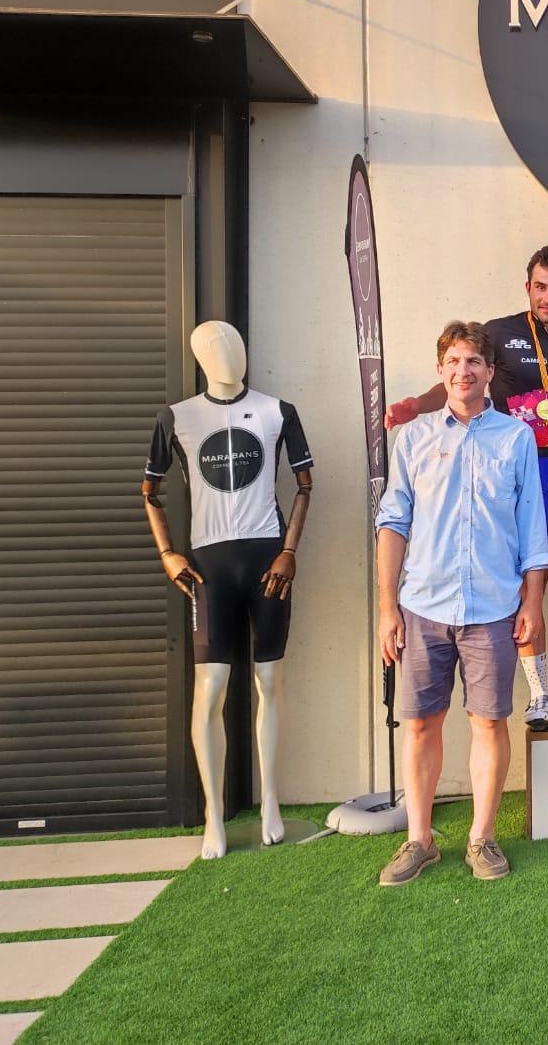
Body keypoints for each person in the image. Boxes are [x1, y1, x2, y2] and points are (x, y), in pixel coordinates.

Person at [388, 246, 548, 727]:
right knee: (529, 586)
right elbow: (461, 380)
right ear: (528, 287)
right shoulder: (499, 332)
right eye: (540, 287)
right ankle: (540, 693)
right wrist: (415, 407)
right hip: (521, 469)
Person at [374, 321, 548, 886]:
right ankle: (419, 840)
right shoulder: (414, 438)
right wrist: (387, 608)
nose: (463, 370)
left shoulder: (516, 438)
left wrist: (533, 604)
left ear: (489, 371)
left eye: (474, 360)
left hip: (493, 608)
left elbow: (532, 530)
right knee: (420, 726)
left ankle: (482, 837)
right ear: (440, 370)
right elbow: (392, 523)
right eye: (453, 361)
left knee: (489, 723)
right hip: (422, 607)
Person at [143, 320, 312, 860]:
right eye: (214, 346)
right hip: (208, 568)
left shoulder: (277, 411)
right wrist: (168, 553)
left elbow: (305, 484)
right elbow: (150, 491)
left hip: (268, 563)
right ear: (198, 356)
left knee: (270, 680)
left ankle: (270, 802)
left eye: (234, 342)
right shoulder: (178, 417)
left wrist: (289, 550)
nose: (228, 353)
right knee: (210, 687)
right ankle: (213, 815)